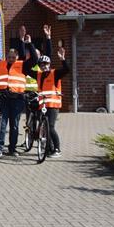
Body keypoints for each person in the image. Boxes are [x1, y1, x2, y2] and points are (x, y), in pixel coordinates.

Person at [0, 26, 39, 157]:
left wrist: (29, 44)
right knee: (2, 124)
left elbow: (34, 59)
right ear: (7, 56)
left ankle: (12, 148)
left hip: (17, 99)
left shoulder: (22, 65)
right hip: (3, 97)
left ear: (17, 57)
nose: (11, 58)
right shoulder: (0, 64)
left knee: (14, 125)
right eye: (9, 56)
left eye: (13, 57)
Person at [38, 24, 69, 157]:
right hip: (43, 105)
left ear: (49, 64)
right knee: (44, 128)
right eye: (42, 64)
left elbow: (66, 70)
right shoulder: (39, 75)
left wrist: (63, 60)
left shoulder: (54, 73)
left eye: (46, 64)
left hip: (53, 105)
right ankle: (49, 149)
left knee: (50, 127)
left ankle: (57, 149)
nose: (44, 66)